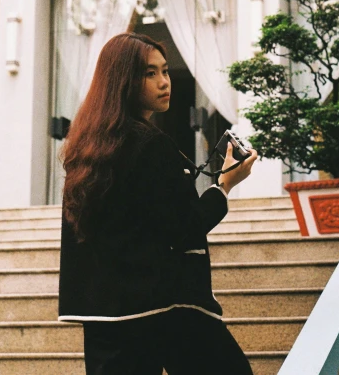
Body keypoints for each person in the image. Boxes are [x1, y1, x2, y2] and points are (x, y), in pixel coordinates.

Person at [58, 32, 258, 375]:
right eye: (150, 73)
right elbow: (185, 227)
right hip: (161, 303)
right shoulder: (149, 144)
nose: (165, 82)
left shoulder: (86, 147)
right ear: (123, 80)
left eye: (165, 71)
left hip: (103, 312)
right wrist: (224, 185)